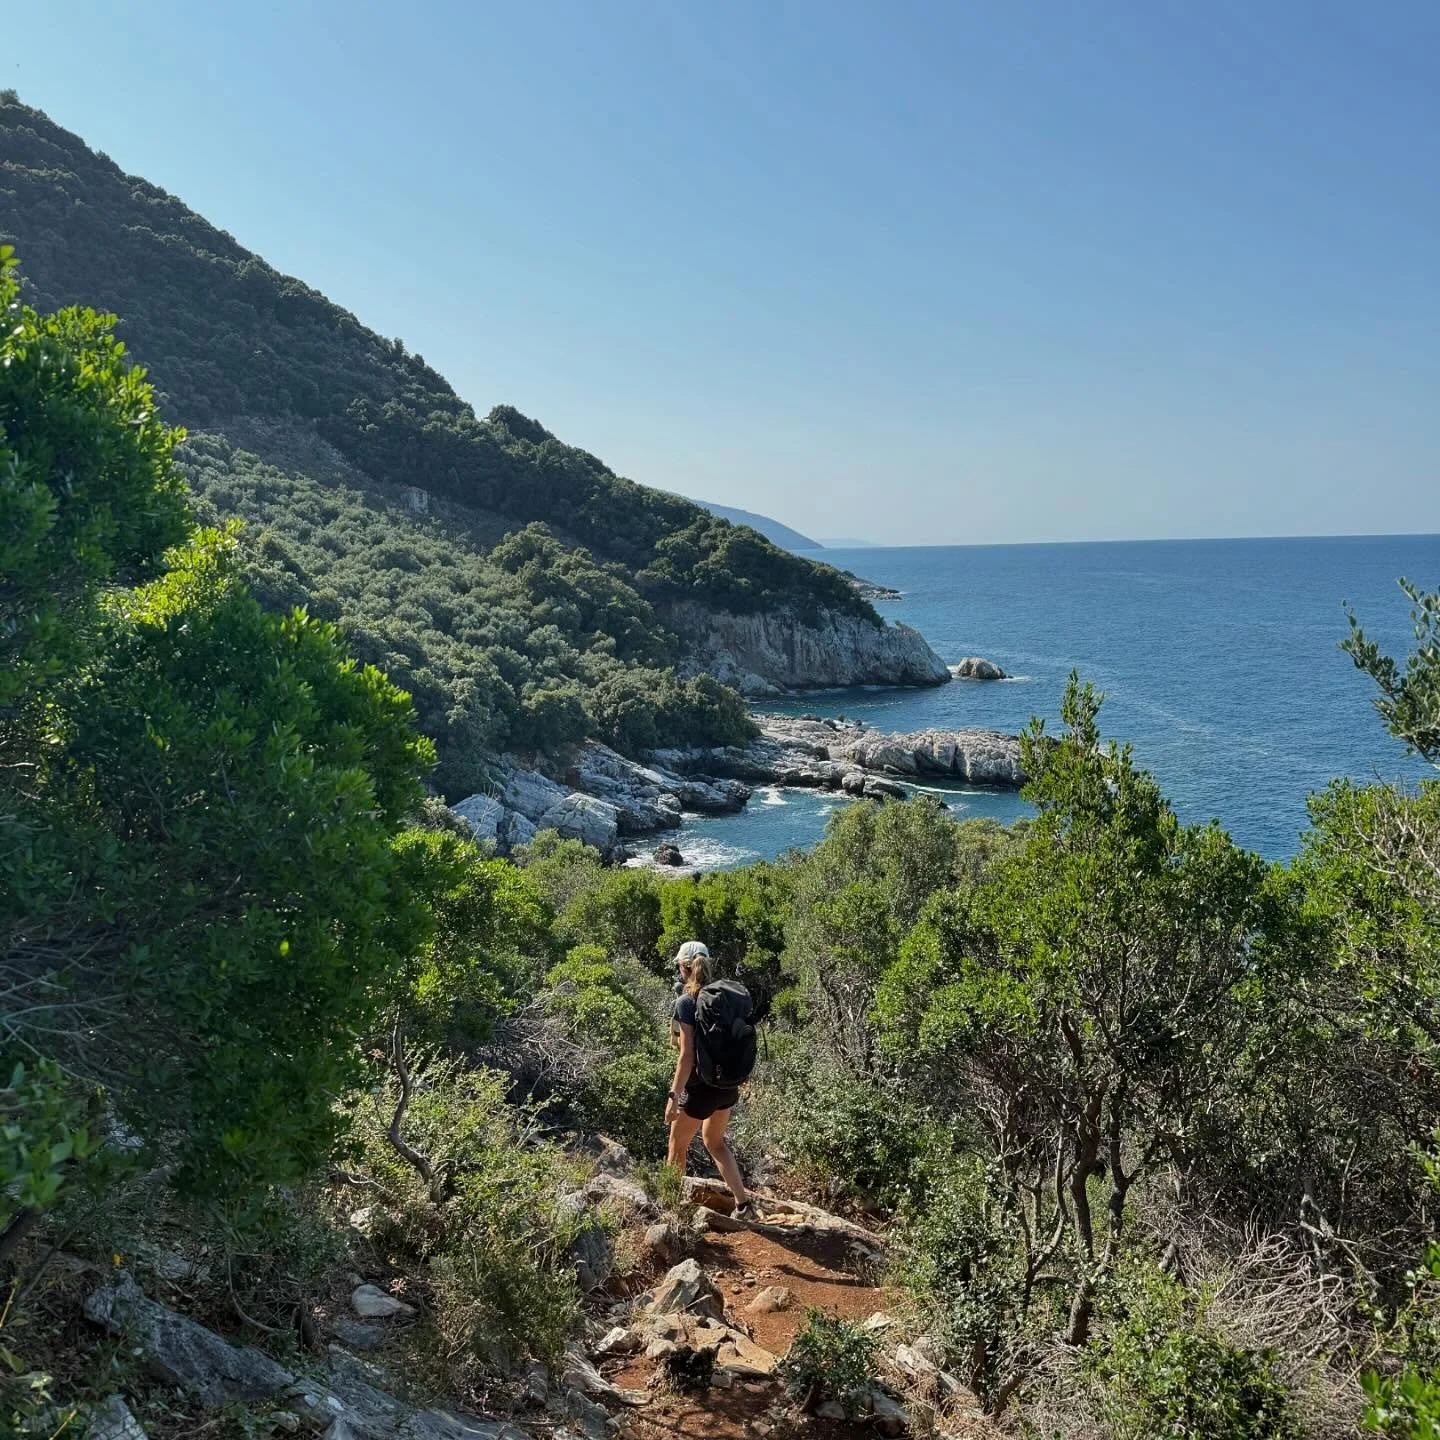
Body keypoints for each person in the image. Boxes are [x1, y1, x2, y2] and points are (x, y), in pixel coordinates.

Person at [665, 940, 753, 1217]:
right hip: (727, 1087)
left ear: (685, 967)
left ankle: (670, 1207)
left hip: (701, 1089)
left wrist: (674, 1097)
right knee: (714, 1142)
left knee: (676, 1145)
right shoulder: (723, 998)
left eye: (680, 966)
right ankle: (743, 1205)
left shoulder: (686, 1003)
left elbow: (685, 1056)